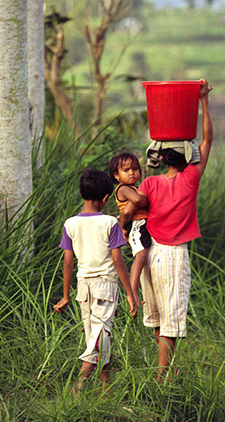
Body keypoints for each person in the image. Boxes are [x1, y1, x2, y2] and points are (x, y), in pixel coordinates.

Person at [123, 79, 213, 377]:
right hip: (173, 255)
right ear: (187, 158)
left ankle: (160, 373)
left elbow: (134, 209)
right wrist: (204, 102)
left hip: (149, 254)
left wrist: (124, 225)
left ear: (161, 159)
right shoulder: (190, 179)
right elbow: (207, 141)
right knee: (171, 322)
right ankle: (163, 379)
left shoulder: (149, 183)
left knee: (158, 317)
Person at [53, 168, 137, 394]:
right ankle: (79, 385)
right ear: (106, 198)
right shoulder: (109, 223)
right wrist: (130, 293)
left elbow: (68, 263)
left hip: (83, 288)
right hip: (104, 286)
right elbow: (118, 262)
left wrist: (65, 295)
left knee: (98, 335)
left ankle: (105, 385)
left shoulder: (70, 224)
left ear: (81, 194)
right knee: (100, 336)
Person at [109, 152, 150, 305]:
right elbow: (139, 200)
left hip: (142, 224)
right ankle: (132, 291)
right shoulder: (123, 188)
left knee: (144, 256)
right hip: (137, 224)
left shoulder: (133, 187)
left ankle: (139, 289)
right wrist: (146, 196)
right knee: (140, 256)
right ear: (117, 175)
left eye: (135, 169)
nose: (132, 173)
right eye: (126, 170)